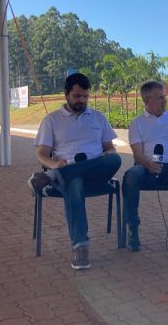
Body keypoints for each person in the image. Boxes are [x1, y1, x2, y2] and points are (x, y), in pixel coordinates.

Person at [27, 73, 122, 270]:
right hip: (68, 175)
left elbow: (109, 147)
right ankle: (80, 247)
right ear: (66, 95)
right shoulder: (51, 120)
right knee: (75, 183)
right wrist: (54, 165)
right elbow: (42, 155)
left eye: (86, 96)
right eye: (77, 96)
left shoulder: (98, 117)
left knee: (116, 158)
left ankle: (51, 178)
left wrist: (107, 154)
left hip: (97, 174)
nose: (82, 101)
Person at [122, 81, 168, 252]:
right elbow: (137, 154)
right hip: (146, 168)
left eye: (165, 96)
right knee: (131, 176)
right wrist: (147, 163)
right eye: (160, 97)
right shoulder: (136, 123)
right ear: (147, 101)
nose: (165, 100)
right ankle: (133, 229)